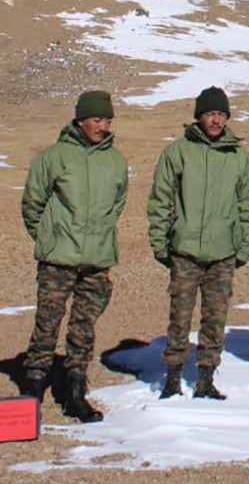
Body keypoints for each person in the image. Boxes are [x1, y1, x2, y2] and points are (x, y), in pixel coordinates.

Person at [20, 91, 128, 423]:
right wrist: (49, 239)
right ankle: (33, 390)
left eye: (107, 120)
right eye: (97, 119)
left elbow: (117, 204)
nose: (103, 126)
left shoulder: (116, 161)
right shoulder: (53, 157)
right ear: (80, 120)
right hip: (58, 259)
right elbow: (32, 205)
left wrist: (101, 235)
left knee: (84, 329)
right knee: (47, 324)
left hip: (96, 259)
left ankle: (76, 392)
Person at [148, 86, 249, 400]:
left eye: (222, 114)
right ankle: (172, 378)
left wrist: (246, 245)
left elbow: (247, 203)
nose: (216, 120)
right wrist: (161, 243)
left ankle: (206, 378)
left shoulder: (238, 155)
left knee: (215, 318)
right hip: (185, 251)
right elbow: (160, 201)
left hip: (223, 252)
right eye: (211, 114)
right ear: (199, 116)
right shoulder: (178, 152)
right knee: (179, 317)